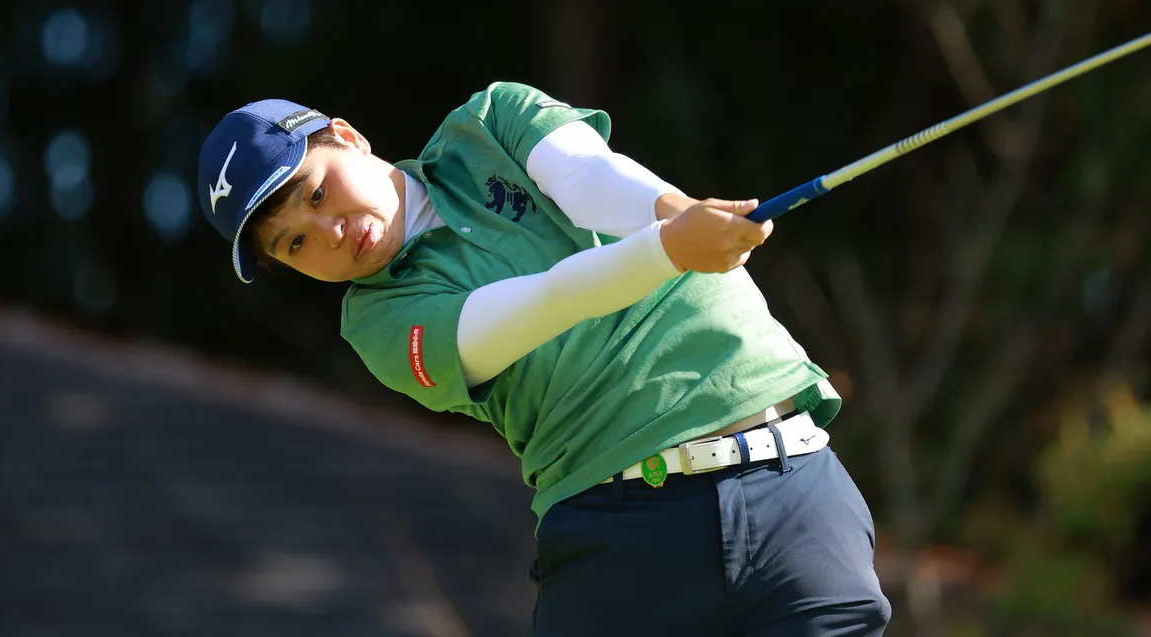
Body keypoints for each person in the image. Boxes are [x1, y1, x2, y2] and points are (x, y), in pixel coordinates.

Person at [197, 80, 891, 637]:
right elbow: (538, 306)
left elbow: (591, 178)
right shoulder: (379, 321)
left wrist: (673, 212)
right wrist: (671, 247)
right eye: (295, 243)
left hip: (794, 489)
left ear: (348, 137)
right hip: (622, 542)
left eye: (317, 192)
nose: (329, 232)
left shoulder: (489, 121)